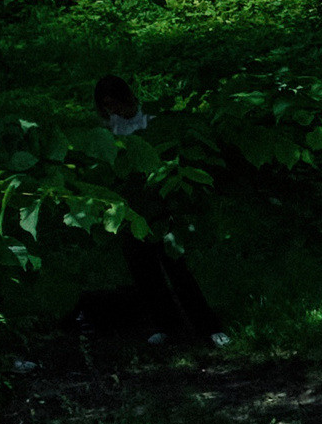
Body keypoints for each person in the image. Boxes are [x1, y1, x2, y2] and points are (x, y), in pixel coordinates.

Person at [84, 74, 230, 350]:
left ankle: (208, 327)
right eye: (106, 105)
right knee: (144, 272)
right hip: (129, 211)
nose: (112, 109)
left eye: (115, 103)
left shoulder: (150, 124)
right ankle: (166, 326)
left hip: (160, 210)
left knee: (177, 270)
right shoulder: (106, 132)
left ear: (126, 98)